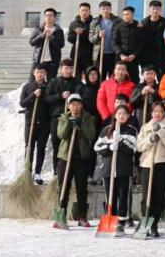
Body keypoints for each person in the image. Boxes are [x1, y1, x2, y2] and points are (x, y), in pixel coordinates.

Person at [54, 94, 97, 229]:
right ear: (68, 106)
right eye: (72, 104)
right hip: (65, 157)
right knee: (63, 187)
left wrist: (81, 125)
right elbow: (61, 135)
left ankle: (82, 216)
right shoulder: (63, 118)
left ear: (81, 105)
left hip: (81, 157)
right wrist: (69, 123)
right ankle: (61, 215)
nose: (75, 107)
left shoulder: (87, 118)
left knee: (81, 188)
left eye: (78, 104)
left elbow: (91, 135)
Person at [94, 104, 138, 235]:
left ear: (128, 116)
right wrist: (109, 147)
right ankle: (111, 218)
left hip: (124, 169)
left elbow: (134, 149)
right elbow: (97, 147)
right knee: (110, 196)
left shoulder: (131, 130)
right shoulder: (106, 130)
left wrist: (121, 143)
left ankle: (121, 222)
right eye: (119, 113)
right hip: (108, 169)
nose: (121, 116)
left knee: (123, 196)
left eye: (124, 114)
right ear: (115, 115)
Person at [135, 101, 165, 237]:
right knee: (146, 197)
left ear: (164, 113)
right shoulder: (145, 127)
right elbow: (139, 146)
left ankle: (154, 225)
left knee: (159, 196)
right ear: (151, 113)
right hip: (147, 164)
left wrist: (160, 131)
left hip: (162, 164)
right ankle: (144, 222)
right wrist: (150, 140)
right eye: (155, 111)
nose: (157, 113)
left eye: (160, 111)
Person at [45, 59, 80, 175]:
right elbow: (47, 98)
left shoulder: (77, 82)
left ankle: (70, 171)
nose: (68, 71)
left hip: (72, 118)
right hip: (57, 118)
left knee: (71, 144)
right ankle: (57, 170)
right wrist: (60, 96)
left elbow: (80, 97)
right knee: (57, 144)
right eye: (66, 68)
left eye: (70, 68)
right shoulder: (53, 82)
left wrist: (72, 98)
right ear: (61, 69)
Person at [20, 64, 50, 184]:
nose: (40, 74)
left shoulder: (48, 86)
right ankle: (27, 171)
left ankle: (37, 172)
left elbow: (51, 101)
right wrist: (33, 95)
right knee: (29, 147)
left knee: (41, 147)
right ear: (34, 73)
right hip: (30, 122)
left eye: (42, 72)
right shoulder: (27, 87)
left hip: (44, 122)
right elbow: (22, 103)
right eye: (38, 72)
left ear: (45, 73)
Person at [30, 7, 65, 80]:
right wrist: (42, 35)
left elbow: (61, 45)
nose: (48, 17)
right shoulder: (38, 29)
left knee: (51, 82)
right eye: (46, 15)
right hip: (38, 60)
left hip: (52, 61)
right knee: (33, 81)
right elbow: (32, 42)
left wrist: (51, 37)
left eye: (50, 15)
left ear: (55, 18)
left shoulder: (59, 31)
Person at [88, 1, 121, 79]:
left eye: (107, 8)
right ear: (100, 10)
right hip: (99, 54)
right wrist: (98, 36)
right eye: (103, 9)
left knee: (113, 77)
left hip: (114, 54)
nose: (105, 11)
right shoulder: (95, 22)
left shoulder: (118, 21)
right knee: (100, 77)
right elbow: (91, 39)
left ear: (111, 9)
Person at [112, 6, 145, 81]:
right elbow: (114, 43)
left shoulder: (138, 27)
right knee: (119, 79)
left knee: (134, 79)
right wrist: (121, 54)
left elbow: (141, 44)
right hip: (121, 58)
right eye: (124, 14)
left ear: (133, 15)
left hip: (133, 59)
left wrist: (134, 55)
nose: (126, 16)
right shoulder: (118, 26)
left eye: (128, 14)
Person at [97, 61, 135, 126]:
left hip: (124, 119)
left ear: (126, 72)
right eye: (118, 69)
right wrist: (106, 117)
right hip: (108, 118)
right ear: (114, 70)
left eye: (123, 70)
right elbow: (100, 102)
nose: (120, 72)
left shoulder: (131, 86)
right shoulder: (105, 84)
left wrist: (125, 115)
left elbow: (131, 103)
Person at [141, 0, 165, 77]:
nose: (155, 11)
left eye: (157, 9)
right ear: (150, 9)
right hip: (146, 56)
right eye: (153, 8)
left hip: (161, 55)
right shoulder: (143, 23)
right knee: (147, 77)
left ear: (160, 10)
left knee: (161, 77)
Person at [67, 3, 95, 77]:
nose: (84, 12)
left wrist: (83, 33)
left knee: (90, 76)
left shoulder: (94, 23)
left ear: (90, 11)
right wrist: (76, 33)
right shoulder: (73, 24)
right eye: (82, 10)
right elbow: (70, 39)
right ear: (79, 11)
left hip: (89, 56)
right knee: (76, 77)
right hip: (76, 55)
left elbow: (93, 38)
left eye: (86, 10)